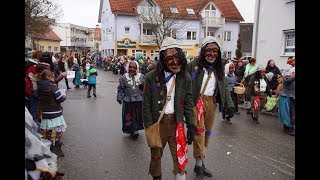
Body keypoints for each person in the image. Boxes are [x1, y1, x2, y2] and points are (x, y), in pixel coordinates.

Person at [143, 37, 195, 180]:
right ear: (162, 60)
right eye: (169, 59)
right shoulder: (151, 77)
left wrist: (191, 125)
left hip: (176, 124)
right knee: (156, 157)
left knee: (180, 158)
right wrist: (149, 126)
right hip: (157, 124)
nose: (174, 62)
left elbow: (189, 104)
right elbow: (146, 105)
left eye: (177, 57)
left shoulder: (186, 78)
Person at [187, 36, 234, 179]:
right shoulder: (193, 65)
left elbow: (224, 86)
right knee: (199, 133)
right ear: (203, 51)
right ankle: (200, 167)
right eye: (209, 50)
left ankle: (199, 162)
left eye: (215, 51)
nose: (212, 54)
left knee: (206, 134)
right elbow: (184, 84)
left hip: (212, 103)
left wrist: (229, 104)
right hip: (197, 103)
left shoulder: (219, 68)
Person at [37, 69, 67, 157]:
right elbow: (60, 98)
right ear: (49, 77)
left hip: (45, 111)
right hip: (55, 110)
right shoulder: (52, 86)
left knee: (48, 128)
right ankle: (57, 147)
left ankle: (49, 145)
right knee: (59, 129)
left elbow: (37, 96)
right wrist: (64, 96)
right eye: (52, 77)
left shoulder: (39, 85)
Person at [117, 61, 145, 139]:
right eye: (130, 67)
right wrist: (119, 97)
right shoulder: (123, 78)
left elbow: (146, 88)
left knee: (137, 115)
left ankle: (135, 129)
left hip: (138, 100)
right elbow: (120, 88)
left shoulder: (142, 77)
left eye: (134, 67)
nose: (132, 69)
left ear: (137, 68)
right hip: (128, 101)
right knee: (129, 116)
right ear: (127, 67)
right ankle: (132, 129)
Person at [278, 58, 295, 135]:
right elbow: (288, 81)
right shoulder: (287, 77)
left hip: (293, 97)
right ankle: (288, 127)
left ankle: (291, 127)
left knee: (292, 113)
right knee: (287, 113)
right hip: (286, 97)